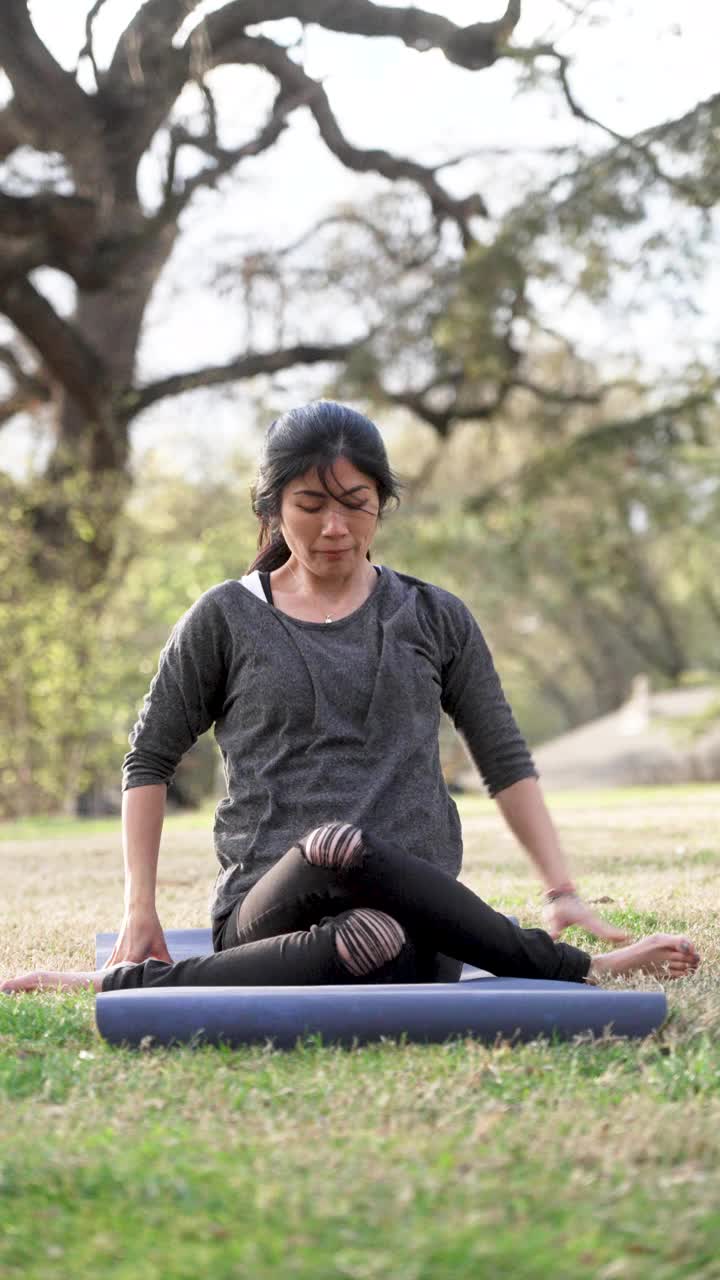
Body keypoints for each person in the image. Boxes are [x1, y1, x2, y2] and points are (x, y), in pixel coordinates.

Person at [1, 402, 700, 998]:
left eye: (355, 504)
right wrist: (139, 909)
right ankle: (585, 970)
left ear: (381, 505)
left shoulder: (434, 616)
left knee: (376, 935)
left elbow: (503, 756)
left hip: (416, 929)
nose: (334, 527)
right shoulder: (225, 619)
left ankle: (161, 981)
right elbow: (148, 760)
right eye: (310, 505)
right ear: (271, 508)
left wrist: (561, 890)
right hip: (268, 922)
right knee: (337, 847)